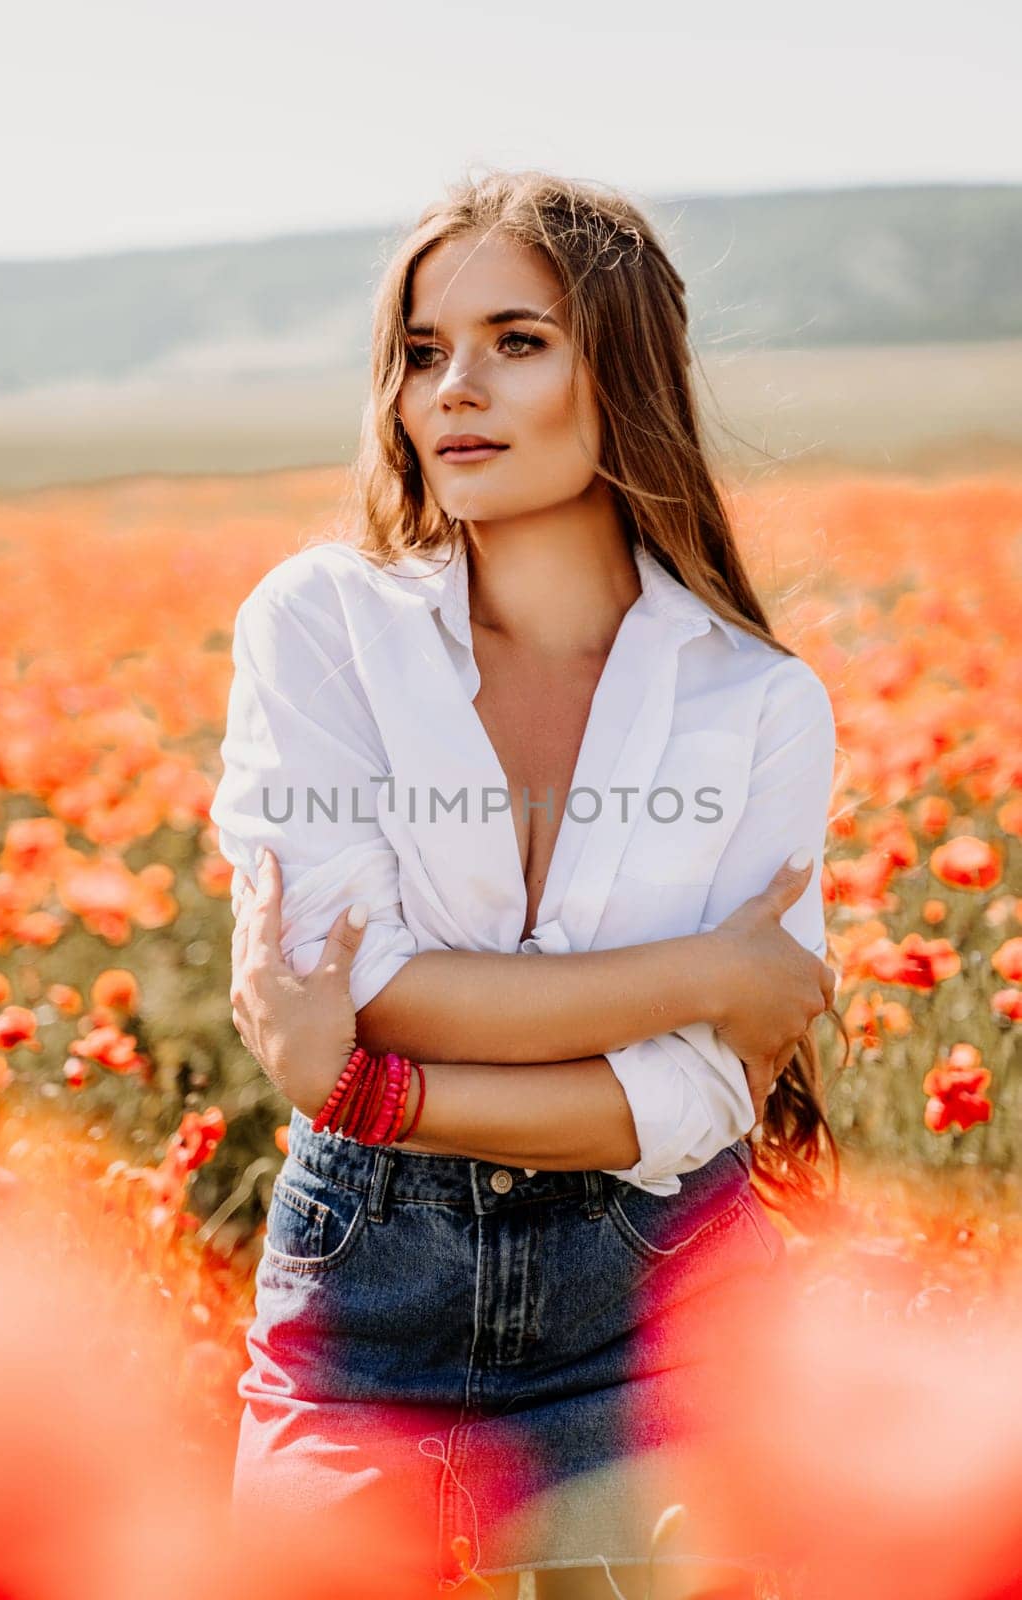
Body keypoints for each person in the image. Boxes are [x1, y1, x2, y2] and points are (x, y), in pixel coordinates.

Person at [211, 169, 845, 1599]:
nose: (454, 391)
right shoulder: (321, 626)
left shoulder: (754, 701)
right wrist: (706, 977)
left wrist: (378, 1090)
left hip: (669, 1315)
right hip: (362, 1310)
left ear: (622, 373)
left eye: (516, 340)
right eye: (425, 352)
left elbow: (703, 1101)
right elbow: (360, 984)